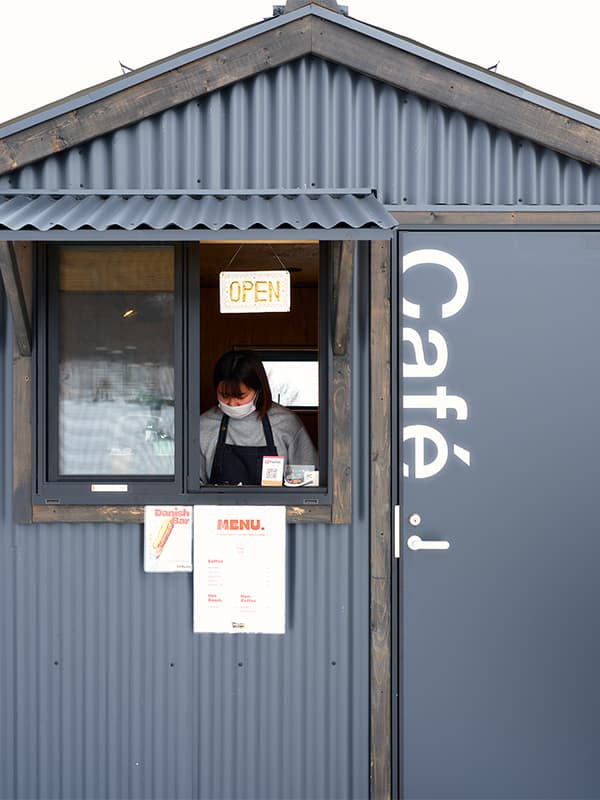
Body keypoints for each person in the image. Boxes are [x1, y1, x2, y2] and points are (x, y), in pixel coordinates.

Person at [199, 350, 317, 485]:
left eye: (240, 396)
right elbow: (192, 484)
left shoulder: (286, 423)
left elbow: (308, 481)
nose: (232, 403)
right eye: (224, 395)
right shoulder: (204, 426)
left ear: (258, 391)